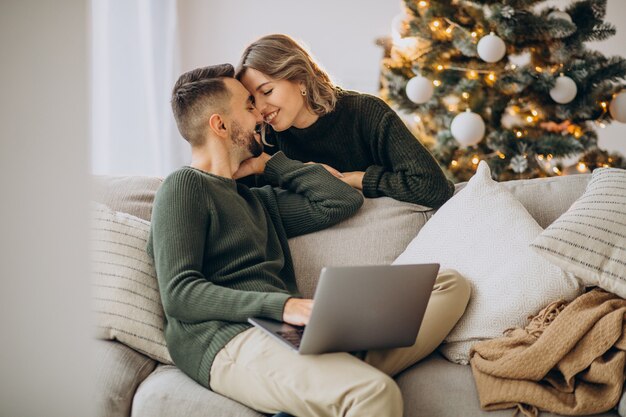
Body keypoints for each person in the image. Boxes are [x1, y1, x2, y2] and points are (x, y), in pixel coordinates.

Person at [148, 63, 471, 417]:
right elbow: (180, 293)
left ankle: (329, 384)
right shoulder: (184, 186)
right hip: (226, 339)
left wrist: (267, 165)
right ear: (220, 125)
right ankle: (342, 385)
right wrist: (285, 307)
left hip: (287, 331)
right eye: (248, 106)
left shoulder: (256, 200)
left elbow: (341, 200)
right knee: (374, 393)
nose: (261, 116)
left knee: (450, 285)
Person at [236, 33, 455, 207]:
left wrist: (357, 179)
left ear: (300, 79)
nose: (260, 109)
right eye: (252, 100)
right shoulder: (265, 138)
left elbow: (433, 187)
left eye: (267, 91)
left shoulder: (365, 112)